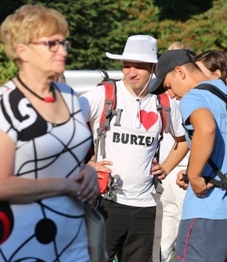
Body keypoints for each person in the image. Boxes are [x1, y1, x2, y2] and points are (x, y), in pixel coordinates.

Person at [0, 4, 98, 260]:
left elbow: (71, 159)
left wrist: (88, 172)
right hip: (19, 238)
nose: (62, 50)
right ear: (23, 51)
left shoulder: (71, 97)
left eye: (64, 43)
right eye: (52, 44)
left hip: (71, 234)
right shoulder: (4, 103)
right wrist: (65, 185)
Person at [79, 35, 188, 262]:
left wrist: (166, 167)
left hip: (146, 208)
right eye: (127, 65)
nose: (131, 72)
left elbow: (184, 140)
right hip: (105, 203)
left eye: (139, 66)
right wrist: (83, 163)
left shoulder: (164, 104)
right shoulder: (105, 95)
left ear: (153, 68)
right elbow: (65, 124)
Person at [149, 50, 227, 261]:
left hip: (208, 212)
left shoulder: (194, 96)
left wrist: (195, 176)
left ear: (180, 72)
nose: (169, 94)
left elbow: (206, 129)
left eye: (168, 86)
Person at [154, 42, 191, 262]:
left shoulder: (193, 99)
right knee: (162, 239)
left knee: (184, 240)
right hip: (163, 173)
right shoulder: (159, 96)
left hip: (185, 173)